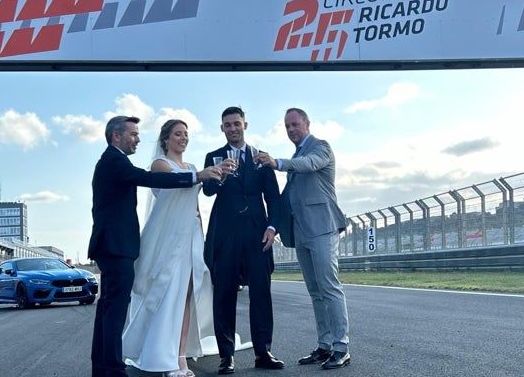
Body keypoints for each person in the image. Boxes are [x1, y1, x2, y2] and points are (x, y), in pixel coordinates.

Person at [88, 115, 221, 377]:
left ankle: (103, 367)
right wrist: (196, 176)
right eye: (133, 134)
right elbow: (150, 179)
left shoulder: (113, 160)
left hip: (114, 246)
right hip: (115, 247)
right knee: (113, 310)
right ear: (117, 136)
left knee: (108, 310)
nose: (138, 139)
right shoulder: (114, 161)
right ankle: (112, 370)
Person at [256, 107, 351, 370]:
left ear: (307, 124)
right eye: (287, 127)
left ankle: (341, 347)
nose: (291, 130)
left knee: (330, 287)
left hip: (322, 228)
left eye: (295, 125)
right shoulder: (298, 153)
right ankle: (325, 345)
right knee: (315, 291)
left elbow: (310, 165)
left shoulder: (320, 147)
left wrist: (278, 163)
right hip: (301, 232)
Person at [203, 106, 284, 374]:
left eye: (237, 123)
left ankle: (263, 352)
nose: (233, 128)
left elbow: (273, 197)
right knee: (224, 294)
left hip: (257, 234)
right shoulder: (213, 157)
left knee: (261, 293)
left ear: (245, 125)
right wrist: (221, 174)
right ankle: (226, 356)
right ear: (222, 128)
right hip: (225, 235)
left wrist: (272, 227)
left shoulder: (261, 159)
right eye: (227, 125)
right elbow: (208, 190)